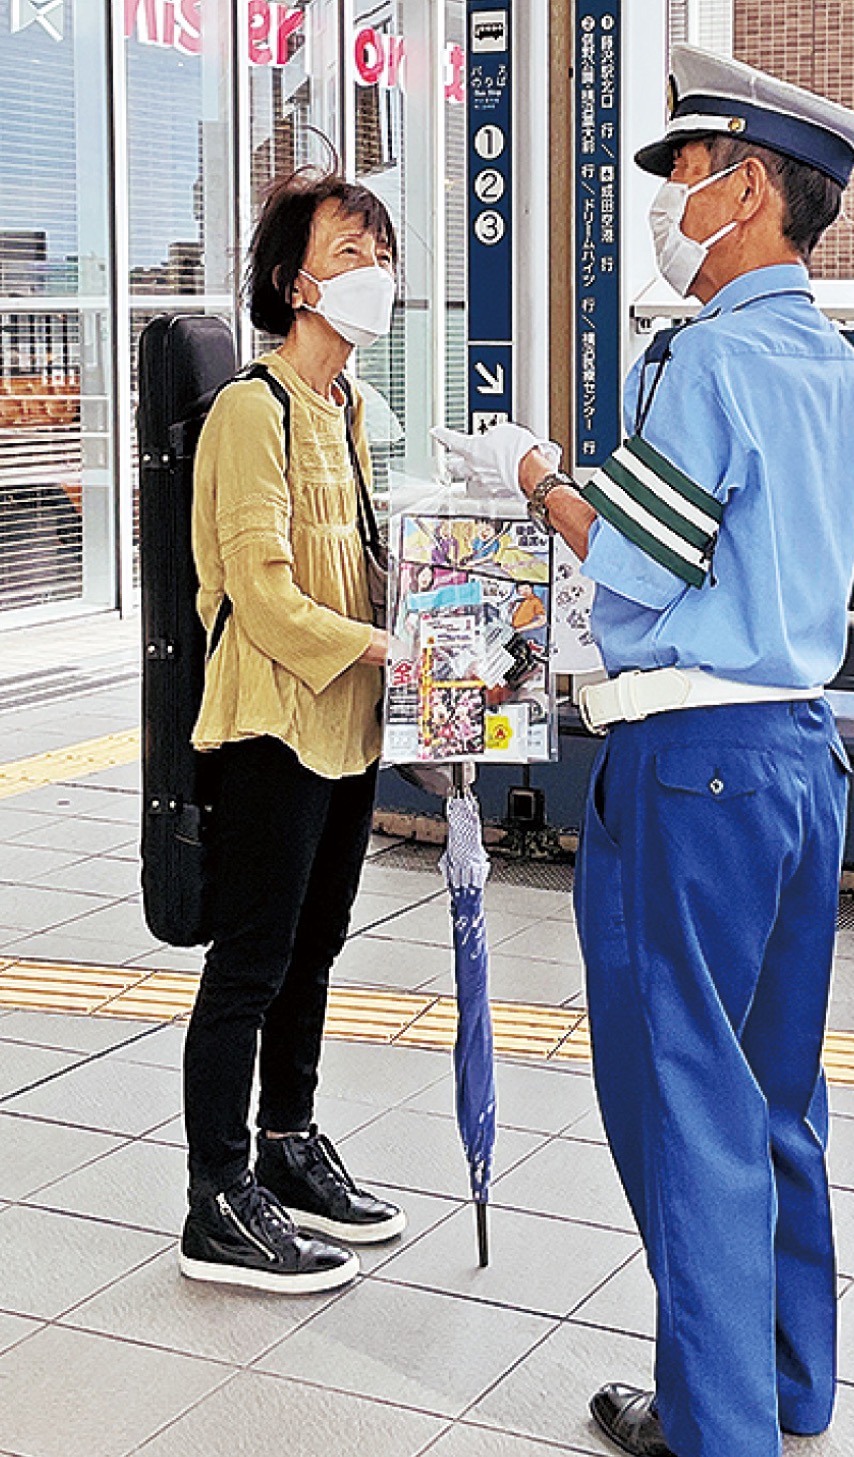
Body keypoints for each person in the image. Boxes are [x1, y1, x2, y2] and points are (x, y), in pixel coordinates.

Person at [435, 44, 854, 1457]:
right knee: (776, 1091)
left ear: (747, 191)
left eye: (685, 172)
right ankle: (788, 1383)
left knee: (682, 1096)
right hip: (802, 757)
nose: (668, 201)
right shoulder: (842, 373)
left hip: (691, 770)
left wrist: (530, 473)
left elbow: (634, 558)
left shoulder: (706, 358)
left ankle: (714, 1427)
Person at [180, 170, 407, 1294]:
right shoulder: (250, 409)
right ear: (294, 281)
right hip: (272, 724)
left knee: (314, 949)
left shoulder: (350, 407)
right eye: (350, 251)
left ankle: (287, 1142)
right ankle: (217, 1198)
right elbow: (262, 598)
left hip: (347, 727)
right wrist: (385, 649)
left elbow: (357, 563)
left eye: (382, 253)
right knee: (251, 964)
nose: (374, 272)